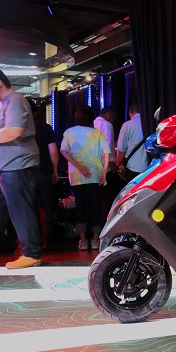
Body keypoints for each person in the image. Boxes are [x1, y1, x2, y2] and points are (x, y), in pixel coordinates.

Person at [0, 67, 43, 269]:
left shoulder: (15, 100)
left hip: (16, 165)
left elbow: (12, 132)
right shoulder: (0, 104)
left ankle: (31, 253)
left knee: (20, 209)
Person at [60, 106, 110, 250]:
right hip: (96, 174)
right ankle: (95, 240)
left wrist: (79, 166)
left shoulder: (69, 132)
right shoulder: (97, 133)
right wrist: (104, 173)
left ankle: (82, 241)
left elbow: (63, 151)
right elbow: (106, 153)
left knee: (80, 207)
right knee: (95, 206)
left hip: (77, 176)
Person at [32, 100, 60, 250]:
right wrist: (54, 170)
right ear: (36, 112)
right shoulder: (45, 127)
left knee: (27, 207)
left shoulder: (19, 128)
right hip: (43, 172)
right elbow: (53, 151)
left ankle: (28, 242)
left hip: (25, 173)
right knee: (45, 207)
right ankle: (45, 241)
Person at [94, 106, 119, 216]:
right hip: (105, 166)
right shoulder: (107, 125)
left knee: (95, 197)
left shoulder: (92, 123)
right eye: (113, 116)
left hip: (92, 165)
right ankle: (105, 221)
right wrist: (113, 163)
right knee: (107, 197)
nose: (113, 120)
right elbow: (108, 146)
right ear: (109, 114)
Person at [116, 103, 148, 181]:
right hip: (149, 167)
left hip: (132, 168)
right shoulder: (149, 123)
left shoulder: (127, 125)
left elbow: (121, 149)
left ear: (130, 112)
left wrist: (117, 164)